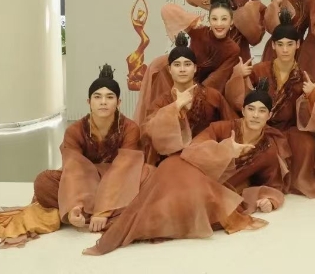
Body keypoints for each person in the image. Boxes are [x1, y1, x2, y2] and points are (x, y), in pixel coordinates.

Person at [83, 81, 289, 256]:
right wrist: (226, 150)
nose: (255, 115)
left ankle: (133, 227)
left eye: (262, 111)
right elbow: (193, 150)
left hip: (210, 190)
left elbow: (273, 183)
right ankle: (126, 226)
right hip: (186, 170)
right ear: (243, 111)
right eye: (251, 109)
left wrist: (270, 199)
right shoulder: (222, 129)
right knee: (167, 193)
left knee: (178, 209)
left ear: (269, 115)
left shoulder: (268, 150)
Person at [0, 65, 152, 248]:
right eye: (97, 97)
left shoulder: (130, 128)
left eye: (109, 97)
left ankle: (97, 212)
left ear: (118, 102)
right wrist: (74, 205)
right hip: (85, 182)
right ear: (89, 102)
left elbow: (125, 167)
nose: (103, 102)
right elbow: (74, 169)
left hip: (119, 182)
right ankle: (92, 211)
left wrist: (104, 210)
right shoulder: (75, 130)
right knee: (44, 181)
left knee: (149, 176)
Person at [226, 10, 315, 198]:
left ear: (298, 44)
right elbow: (239, 100)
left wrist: (311, 95)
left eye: (290, 44)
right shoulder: (259, 69)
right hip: (260, 126)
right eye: (280, 44)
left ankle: (288, 180)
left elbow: (311, 116)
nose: (285, 50)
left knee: (308, 145)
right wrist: (239, 76)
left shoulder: (303, 75)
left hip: (288, 128)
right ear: (273, 45)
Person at [134, 0, 241, 124]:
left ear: (231, 22)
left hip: (202, 89)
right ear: (209, 20)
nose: (219, 24)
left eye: (224, 19)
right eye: (214, 19)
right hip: (179, 78)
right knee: (159, 69)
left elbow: (217, 80)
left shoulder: (233, 49)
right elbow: (167, 10)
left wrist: (194, 93)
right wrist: (191, 20)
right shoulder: (199, 32)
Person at [141, 33, 234, 165]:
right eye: (177, 65)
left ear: (195, 68)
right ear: (170, 69)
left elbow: (230, 126)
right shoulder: (161, 102)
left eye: (187, 64)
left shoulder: (212, 96)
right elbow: (148, 133)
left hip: (206, 161)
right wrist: (175, 108)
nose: (182, 69)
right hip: (171, 163)